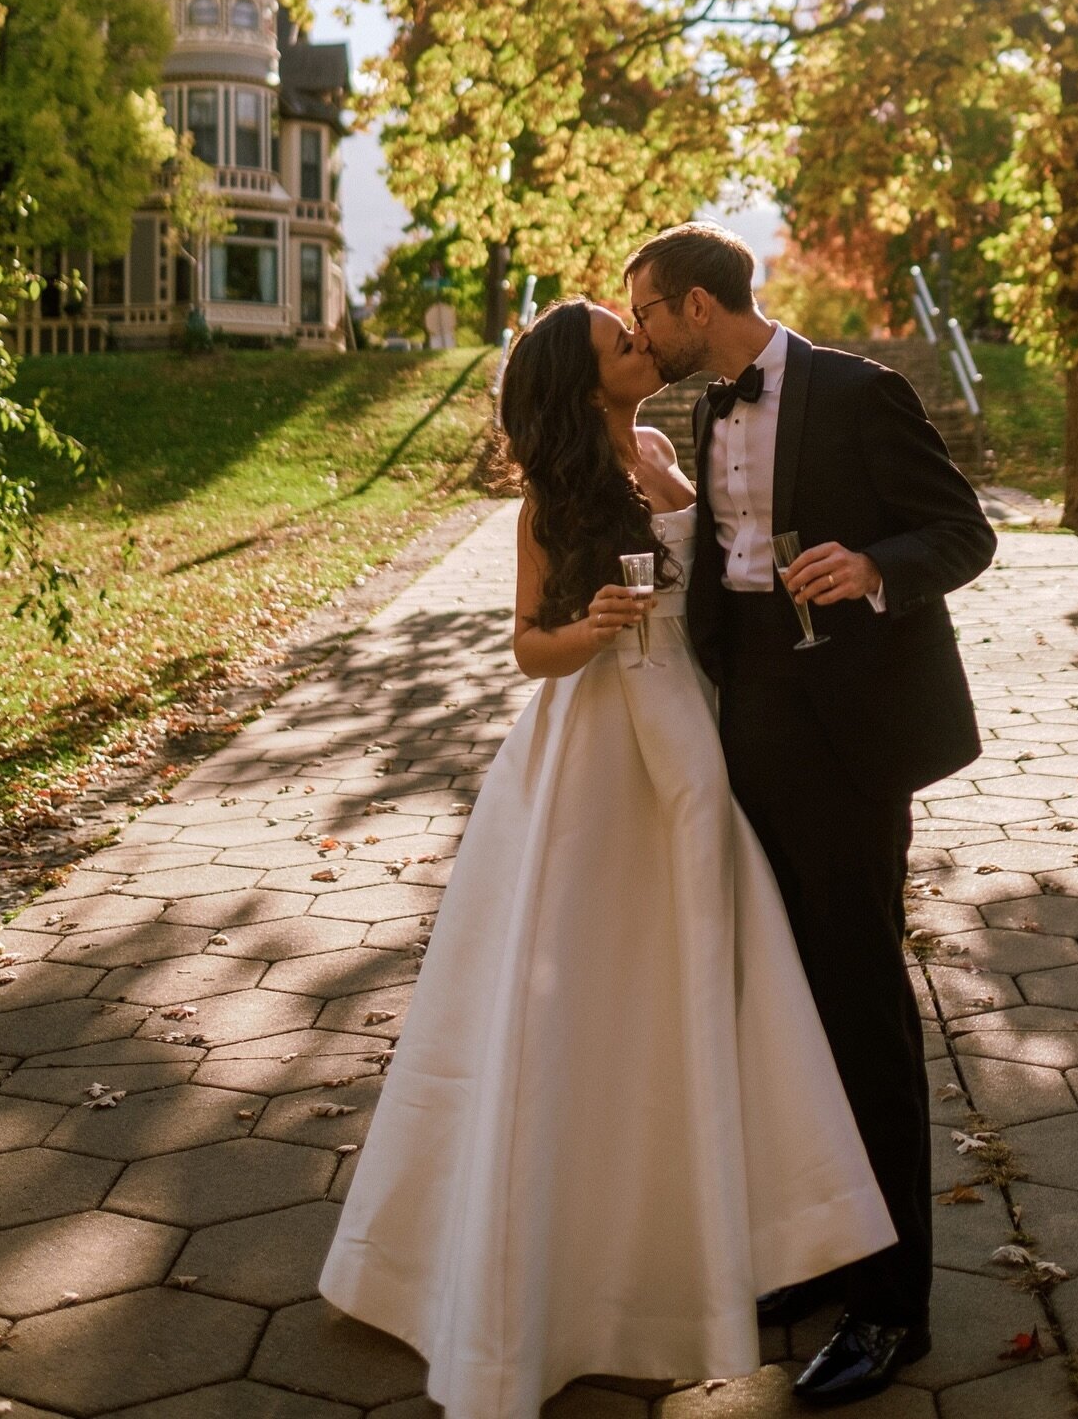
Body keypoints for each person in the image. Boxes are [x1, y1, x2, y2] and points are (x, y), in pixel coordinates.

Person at [318, 297, 896, 1419]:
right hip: (593, 748)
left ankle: (731, 1239)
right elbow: (528, 643)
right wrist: (586, 634)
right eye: (616, 342)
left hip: (694, 733)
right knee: (576, 997)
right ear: (586, 385)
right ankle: (541, 1274)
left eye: (637, 330)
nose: (641, 344)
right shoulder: (549, 497)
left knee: (710, 977)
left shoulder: (668, 452)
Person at [624, 222, 998, 1403]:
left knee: (857, 1006)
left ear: (696, 304)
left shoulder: (859, 390)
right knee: (771, 1001)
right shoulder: (704, 410)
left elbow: (964, 532)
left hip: (847, 738)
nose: (640, 337)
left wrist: (876, 566)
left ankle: (895, 1310)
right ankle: (812, 1247)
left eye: (647, 316)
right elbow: (729, 556)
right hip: (742, 727)